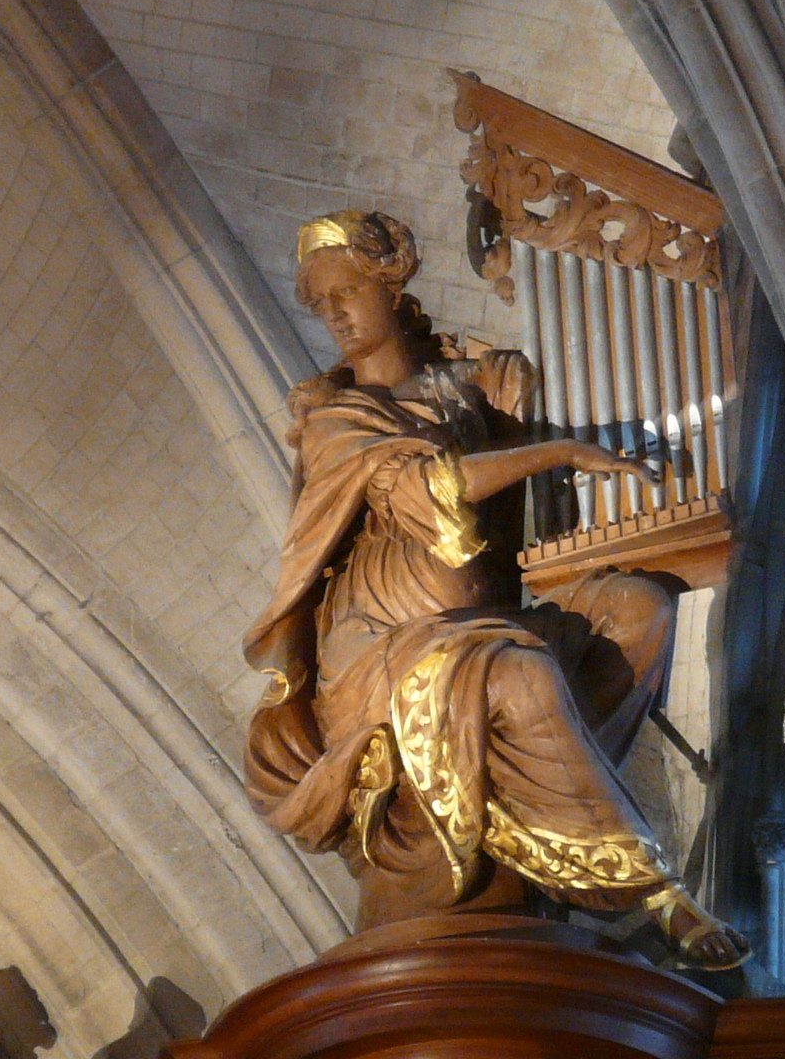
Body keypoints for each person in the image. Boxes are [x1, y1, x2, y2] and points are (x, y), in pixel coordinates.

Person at [242, 210, 748, 969]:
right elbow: (428, 487)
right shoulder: (337, 421)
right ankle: (652, 892)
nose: (335, 314)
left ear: (392, 280)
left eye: (346, 290)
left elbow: (526, 523)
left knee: (639, 607)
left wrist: (530, 430)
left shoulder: (476, 388)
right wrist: (562, 448)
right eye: (320, 303)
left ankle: (539, 804)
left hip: (484, 615)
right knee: (517, 674)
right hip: (382, 649)